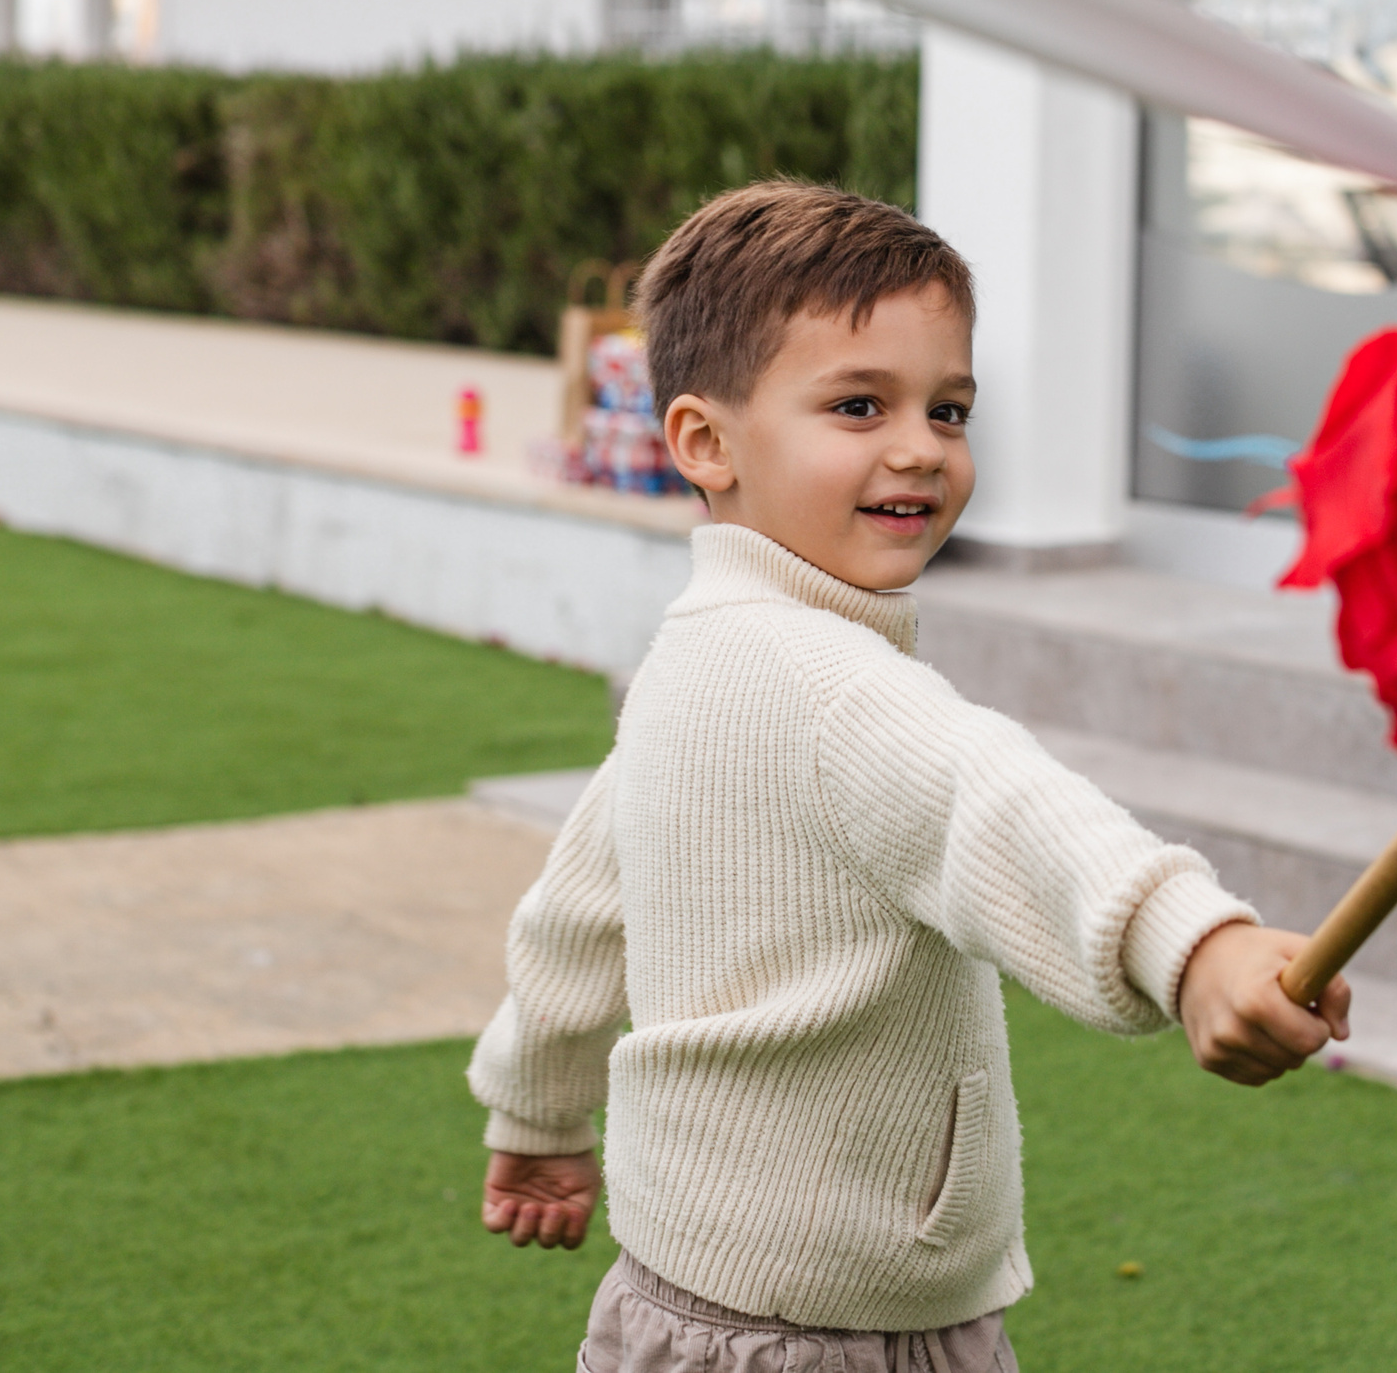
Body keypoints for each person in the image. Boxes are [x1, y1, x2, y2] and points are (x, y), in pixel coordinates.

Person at [469, 181, 1351, 1372]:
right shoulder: (835, 688)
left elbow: (574, 920)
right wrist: (1194, 946)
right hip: (830, 1335)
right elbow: (999, 806)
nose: (917, 449)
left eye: (948, 409)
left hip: (679, 1296)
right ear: (704, 443)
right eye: (856, 405)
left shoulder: (693, 654)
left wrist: (535, 1108)